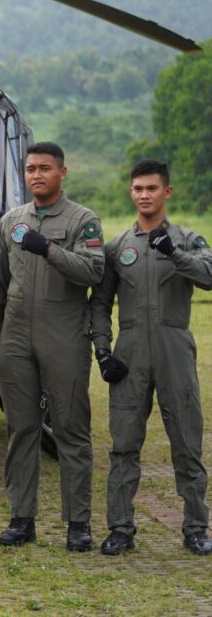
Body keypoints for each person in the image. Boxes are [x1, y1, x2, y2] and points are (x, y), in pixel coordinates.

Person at [0, 142, 105, 551]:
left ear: (62, 173)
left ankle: (78, 523)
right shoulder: (11, 221)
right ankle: (21, 519)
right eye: (31, 168)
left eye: (45, 168)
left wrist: (48, 249)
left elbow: (92, 272)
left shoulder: (83, 220)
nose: (36, 175)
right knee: (21, 430)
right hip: (16, 336)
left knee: (70, 430)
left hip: (64, 335)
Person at [90, 160, 212, 556]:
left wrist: (173, 252)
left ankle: (196, 528)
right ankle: (121, 528)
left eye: (152, 188)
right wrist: (104, 352)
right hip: (130, 354)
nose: (145, 195)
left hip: (174, 349)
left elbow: (208, 276)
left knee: (187, 443)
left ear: (167, 192)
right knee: (124, 444)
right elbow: (99, 305)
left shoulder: (189, 240)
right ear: (131, 193)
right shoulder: (117, 247)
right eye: (138, 188)